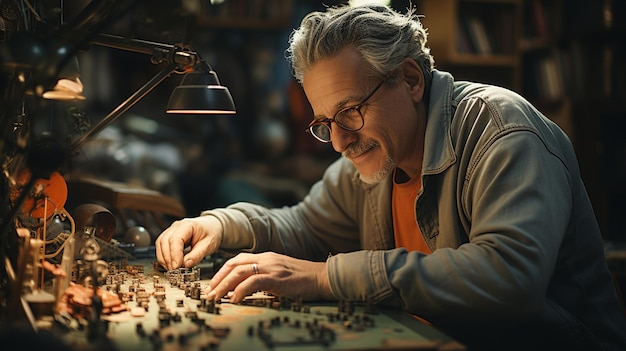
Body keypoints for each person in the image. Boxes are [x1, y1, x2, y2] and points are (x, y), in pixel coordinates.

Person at [155, 4, 626, 350]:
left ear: (412, 79)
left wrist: (326, 278)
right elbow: (304, 225)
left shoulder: (500, 129)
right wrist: (221, 224)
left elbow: (509, 278)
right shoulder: (375, 156)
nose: (338, 141)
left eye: (351, 111)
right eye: (325, 123)